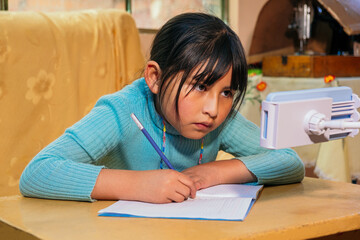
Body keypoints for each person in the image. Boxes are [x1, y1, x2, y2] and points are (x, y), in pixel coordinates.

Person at [19, 12, 304, 203]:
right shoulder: (121, 111)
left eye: (227, 92)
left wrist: (216, 173)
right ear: (155, 77)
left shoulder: (219, 119)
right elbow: (38, 173)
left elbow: (290, 161)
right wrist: (137, 186)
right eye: (201, 86)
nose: (214, 108)